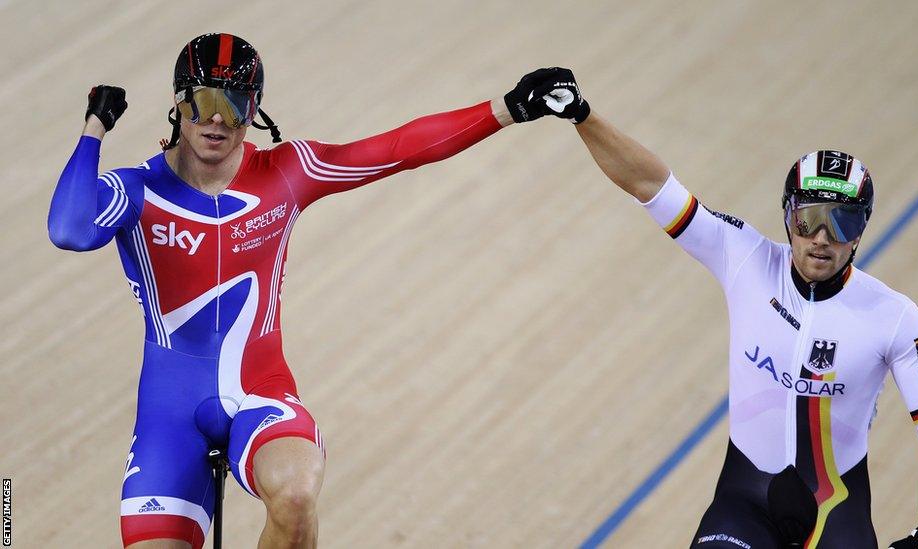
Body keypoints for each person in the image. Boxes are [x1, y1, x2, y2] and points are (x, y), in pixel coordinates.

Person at [47, 32, 567, 549]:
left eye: (235, 105)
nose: (217, 120)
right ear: (179, 103)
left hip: (261, 393)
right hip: (169, 417)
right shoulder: (134, 190)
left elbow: (395, 149)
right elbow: (69, 230)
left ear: (255, 111)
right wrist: (94, 128)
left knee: (296, 497)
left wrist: (508, 107)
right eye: (205, 100)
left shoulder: (288, 173)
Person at [524, 69, 918, 547]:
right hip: (745, 504)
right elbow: (651, 183)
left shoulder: (894, 316)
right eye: (809, 218)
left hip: (835, 513)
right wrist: (583, 117)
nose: (821, 238)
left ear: (860, 233)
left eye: (842, 222)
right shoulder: (745, 258)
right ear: (788, 214)